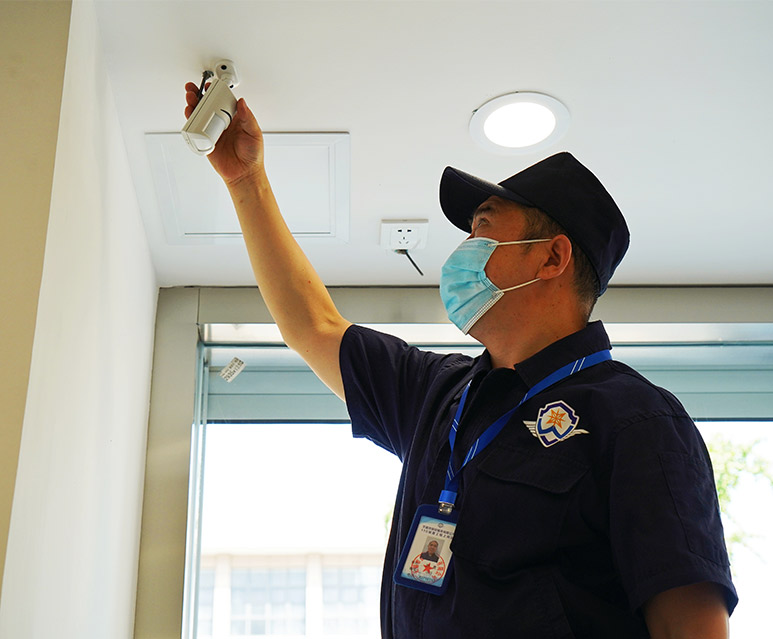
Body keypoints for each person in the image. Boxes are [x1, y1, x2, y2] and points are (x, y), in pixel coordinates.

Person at [185, 85, 737, 638]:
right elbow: (314, 326)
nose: (462, 251)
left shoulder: (637, 420)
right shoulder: (440, 393)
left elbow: (690, 628)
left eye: (483, 229)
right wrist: (246, 181)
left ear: (552, 257)